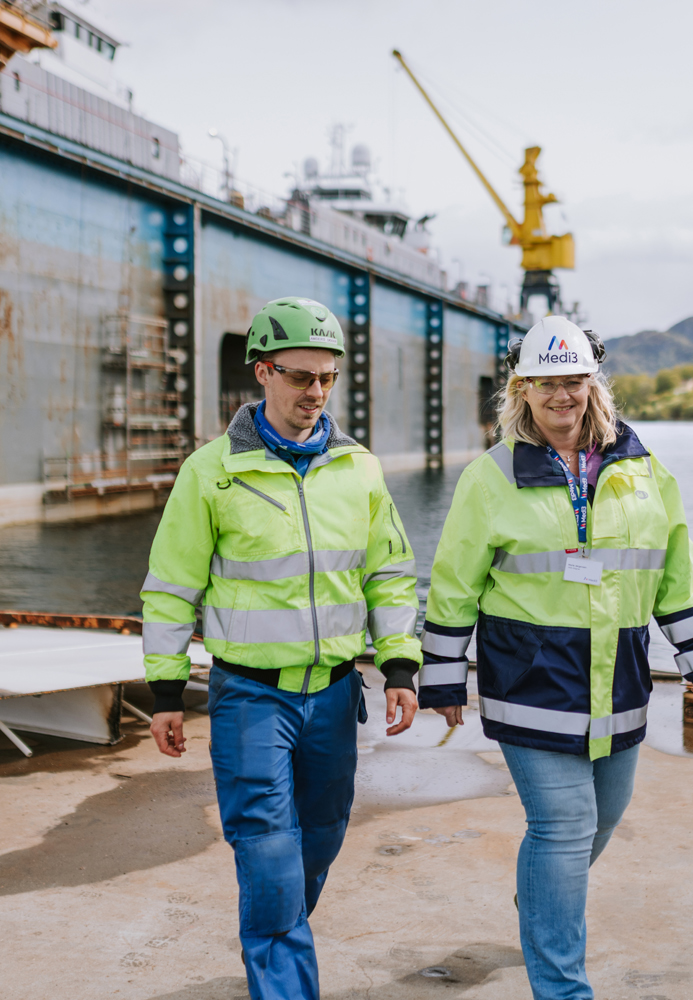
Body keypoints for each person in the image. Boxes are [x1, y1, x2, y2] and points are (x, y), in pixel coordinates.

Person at [417, 316, 693, 1000]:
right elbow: (454, 582)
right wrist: (440, 677)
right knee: (563, 828)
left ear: (595, 384)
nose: (563, 396)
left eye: (575, 381)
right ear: (522, 390)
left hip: (617, 682)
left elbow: (677, 568)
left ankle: (541, 903)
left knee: (601, 820)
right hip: (528, 681)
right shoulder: (490, 478)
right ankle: (563, 988)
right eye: (547, 383)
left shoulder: (644, 473)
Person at [140, 296, 423, 1000]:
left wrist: (400, 664)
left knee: (318, 841)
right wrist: (166, 692)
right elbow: (171, 588)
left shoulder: (359, 469)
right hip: (249, 696)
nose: (315, 393)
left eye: (327, 378)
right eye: (299, 377)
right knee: (268, 854)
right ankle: (283, 979)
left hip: (332, 696)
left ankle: (277, 936)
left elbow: (388, 572)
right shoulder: (211, 473)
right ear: (262, 374)